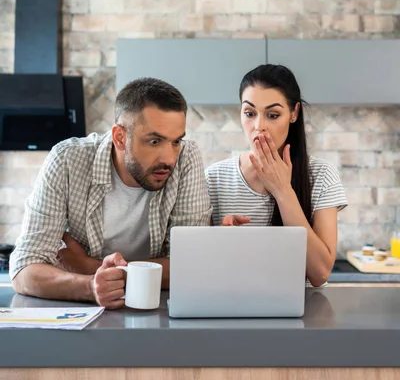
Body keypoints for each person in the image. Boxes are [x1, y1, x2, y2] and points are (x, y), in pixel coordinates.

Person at [11, 77, 212, 308]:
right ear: (120, 137)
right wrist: (90, 286)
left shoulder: (186, 157)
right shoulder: (67, 159)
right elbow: (24, 270)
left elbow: (191, 266)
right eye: (154, 141)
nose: (169, 158)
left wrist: (89, 267)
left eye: (176, 141)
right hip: (81, 314)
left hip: (156, 310)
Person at [205, 64, 348, 287]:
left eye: (272, 115)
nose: (259, 126)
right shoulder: (214, 178)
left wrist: (283, 191)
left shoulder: (321, 175)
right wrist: (222, 241)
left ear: (294, 113)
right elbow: (204, 268)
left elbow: (319, 273)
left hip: (302, 313)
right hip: (234, 305)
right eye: (249, 113)